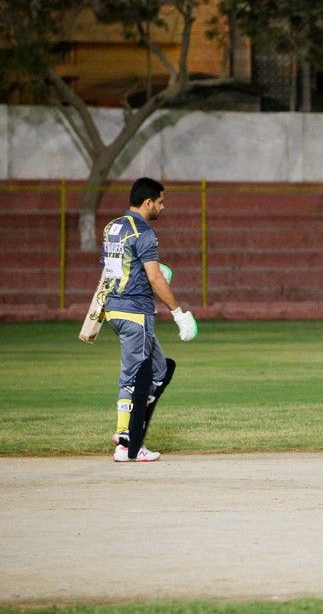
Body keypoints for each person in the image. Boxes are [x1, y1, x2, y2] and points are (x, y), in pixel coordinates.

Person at [100, 177, 198, 462]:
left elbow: (113, 270)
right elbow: (155, 278)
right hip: (135, 312)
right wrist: (179, 313)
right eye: (160, 202)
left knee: (159, 370)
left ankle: (133, 428)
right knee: (133, 376)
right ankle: (126, 442)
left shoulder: (112, 227)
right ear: (148, 202)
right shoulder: (144, 232)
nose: (162, 207)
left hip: (115, 308)